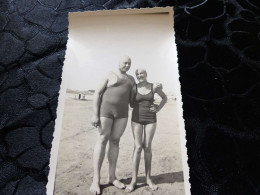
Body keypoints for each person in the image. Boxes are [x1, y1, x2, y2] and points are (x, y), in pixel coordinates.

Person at [90, 56, 135, 195]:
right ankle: (96, 180)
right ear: (119, 63)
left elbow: (133, 102)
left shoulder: (132, 79)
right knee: (102, 139)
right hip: (105, 112)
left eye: (129, 63)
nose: (127, 65)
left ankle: (112, 177)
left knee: (115, 141)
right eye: (124, 63)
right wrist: (95, 114)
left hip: (122, 114)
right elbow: (97, 93)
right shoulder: (109, 74)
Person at [125, 68, 167, 193]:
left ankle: (148, 178)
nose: (139, 75)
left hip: (151, 119)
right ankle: (134, 181)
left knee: (147, 146)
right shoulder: (134, 87)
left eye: (141, 73)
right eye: (137, 74)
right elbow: (132, 104)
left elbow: (164, 98)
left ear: (146, 74)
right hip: (136, 118)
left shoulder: (154, 86)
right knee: (138, 147)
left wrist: (157, 108)